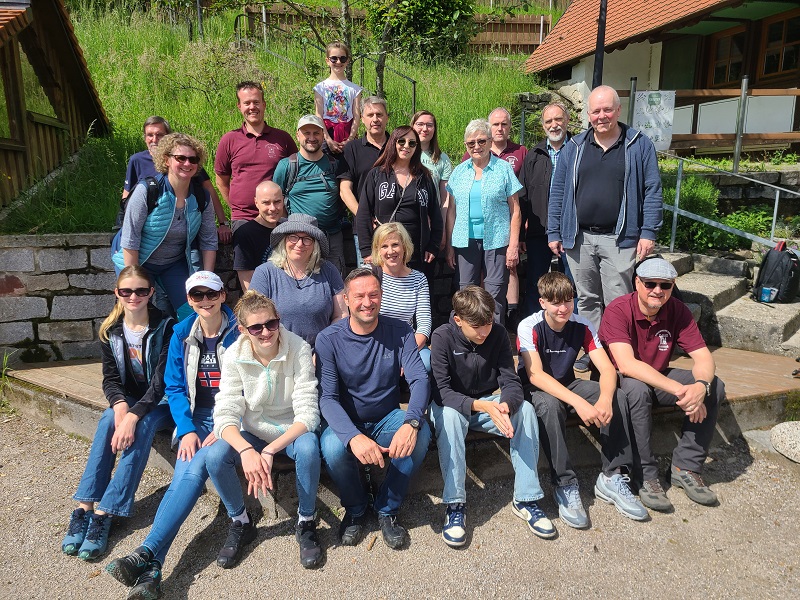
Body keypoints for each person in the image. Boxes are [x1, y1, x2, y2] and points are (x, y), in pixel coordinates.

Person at [105, 271, 238, 599]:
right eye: (197, 296)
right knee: (183, 481)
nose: (205, 301)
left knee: (192, 474)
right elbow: (175, 387)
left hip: (232, 419)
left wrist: (221, 425)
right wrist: (188, 428)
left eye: (211, 294)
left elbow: (248, 388)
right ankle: (152, 571)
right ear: (190, 300)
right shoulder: (181, 332)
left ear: (223, 295)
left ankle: (147, 549)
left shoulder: (241, 332)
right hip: (196, 419)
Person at [517, 272, 647, 529]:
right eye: (555, 302)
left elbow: (608, 369)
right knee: (550, 405)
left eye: (568, 300)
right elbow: (536, 375)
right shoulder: (529, 326)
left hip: (567, 382)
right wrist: (578, 402)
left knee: (617, 394)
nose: (563, 308)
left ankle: (613, 475)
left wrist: (606, 399)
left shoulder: (583, 325)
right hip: (535, 388)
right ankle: (565, 483)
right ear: (542, 302)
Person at [61, 266, 174, 562]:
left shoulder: (166, 326)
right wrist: (121, 407)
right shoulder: (110, 330)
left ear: (151, 292)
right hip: (131, 401)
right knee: (108, 418)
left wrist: (133, 416)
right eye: (126, 291)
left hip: (162, 404)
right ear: (117, 293)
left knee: (143, 424)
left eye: (140, 290)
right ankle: (84, 505)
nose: (133, 296)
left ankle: (106, 511)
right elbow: (110, 380)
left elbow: (161, 383)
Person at [548, 85, 663, 372]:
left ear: (618, 110)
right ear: (588, 114)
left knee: (618, 300)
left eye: (607, 109)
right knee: (586, 300)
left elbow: (652, 189)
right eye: (596, 111)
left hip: (620, 237)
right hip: (579, 238)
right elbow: (558, 191)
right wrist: (554, 231)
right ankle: (594, 350)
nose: (602, 116)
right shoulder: (573, 147)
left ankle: (619, 353)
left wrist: (648, 231)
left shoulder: (638, 144)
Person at [205, 291, 323, 569]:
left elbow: (308, 413)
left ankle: (306, 521)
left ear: (279, 320)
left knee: (308, 447)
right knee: (215, 456)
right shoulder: (233, 355)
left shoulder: (299, 348)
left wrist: (270, 449)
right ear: (243, 330)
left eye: (271, 324)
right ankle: (241, 521)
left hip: (290, 428)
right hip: (254, 430)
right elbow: (225, 411)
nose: (266, 332)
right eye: (256, 327)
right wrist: (246, 449)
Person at [316, 268, 431, 550]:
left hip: (386, 417)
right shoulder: (328, 339)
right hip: (346, 420)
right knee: (332, 447)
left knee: (422, 434)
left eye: (374, 294)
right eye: (359, 296)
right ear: (345, 299)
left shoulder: (401, 330)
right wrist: (353, 437)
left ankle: (387, 508)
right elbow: (328, 398)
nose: (367, 302)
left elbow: (419, 378)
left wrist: (412, 423)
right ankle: (356, 508)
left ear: (382, 295)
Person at [430, 286, 552, 547]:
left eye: (488, 323)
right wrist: (484, 407)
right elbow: (441, 392)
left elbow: (510, 379)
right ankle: (455, 504)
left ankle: (526, 498)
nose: (484, 331)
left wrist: (505, 406)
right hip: (452, 406)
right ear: (459, 320)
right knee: (451, 419)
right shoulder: (441, 337)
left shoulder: (496, 334)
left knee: (526, 411)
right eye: (477, 326)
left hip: (486, 403)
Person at [600, 258, 724, 511]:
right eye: (650, 283)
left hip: (658, 378)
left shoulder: (678, 310)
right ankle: (645, 475)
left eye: (665, 285)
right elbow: (626, 365)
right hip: (621, 381)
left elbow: (703, 357)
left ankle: (686, 466)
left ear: (672, 285)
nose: (657, 290)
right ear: (637, 283)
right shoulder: (618, 309)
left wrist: (700, 386)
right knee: (636, 389)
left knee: (715, 385)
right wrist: (682, 391)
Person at [113, 133, 217, 317]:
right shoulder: (147, 191)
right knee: (133, 313)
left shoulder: (202, 197)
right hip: (137, 260)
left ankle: (182, 345)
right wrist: (133, 280)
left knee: (191, 312)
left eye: (193, 159)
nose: (187, 163)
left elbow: (208, 240)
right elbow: (130, 238)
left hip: (172, 263)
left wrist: (206, 280)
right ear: (166, 160)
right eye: (180, 158)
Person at [445, 119, 522, 324]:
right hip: (465, 241)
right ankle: (468, 339)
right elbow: (451, 210)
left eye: (481, 141)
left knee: (495, 293)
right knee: (466, 293)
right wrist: (450, 247)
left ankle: (495, 340)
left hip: (496, 240)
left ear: (489, 142)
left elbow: (515, 210)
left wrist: (513, 245)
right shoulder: (458, 172)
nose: (476, 146)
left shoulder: (504, 169)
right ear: (466, 146)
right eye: (471, 143)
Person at [122, 116, 231, 244]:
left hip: (185, 229)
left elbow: (209, 190)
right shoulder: (137, 161)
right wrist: (126, 227)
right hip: (150, 231)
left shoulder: (187, 161)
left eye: (159, 135)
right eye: (149, 135)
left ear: (169, 137)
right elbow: (127, 195)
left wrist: (223, 222)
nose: (154, 139)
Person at [249, 213, 348, 347]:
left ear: (315, 244)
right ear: (284, 240)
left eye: (307, 239)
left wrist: (324, 349)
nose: (300, 244)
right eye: (293, 237)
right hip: (278, 353)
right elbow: (252, 316)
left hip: (321, 352)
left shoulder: (329, 270)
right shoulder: (265, 273)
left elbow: (341, 315)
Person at [355, 126, 443, 273]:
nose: (406, 146)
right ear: (393, 143)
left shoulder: (424, 177)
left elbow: (435, 214)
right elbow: (363, 213)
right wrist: (366, 250)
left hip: (418, 253)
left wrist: (433, 246)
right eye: (401, 141)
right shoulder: (377, 175)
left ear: (417, 147)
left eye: (412, 143)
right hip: (386, 251)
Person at [214, 81, 298, 228]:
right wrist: (236, 207)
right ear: (239, 106)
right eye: (247, 103)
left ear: (264, 104)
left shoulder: (282, 138)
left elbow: (297, 174)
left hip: (276, 216)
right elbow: (221, 181)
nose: (252, 107)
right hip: (243, 218)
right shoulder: (229, 140)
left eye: (256, 102)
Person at [273, 115, 348, 276]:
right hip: (300, 239)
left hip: (332, 235)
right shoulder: (287, 166)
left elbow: (343, 195)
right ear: (298, 135)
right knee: (302, 281)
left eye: (316, 133)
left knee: (336, 284)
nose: (312, 138)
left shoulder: (335, 164)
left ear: (323, 135)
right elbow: (276, 202)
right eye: (307, 133)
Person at [519, 102, 572, 319]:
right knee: (536, 283)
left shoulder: (578, 149)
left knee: (570, 284)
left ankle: (571, 330)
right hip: (538, 231)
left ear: (567, 120)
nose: (554, 125)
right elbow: (522, 197)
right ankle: (534, 328)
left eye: (558, 119)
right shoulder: (534, 155)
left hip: (571, 231)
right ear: (543, 126)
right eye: (548, 121)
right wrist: (521, 234)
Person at [370, 222, 432, 372]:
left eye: (395, 245)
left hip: (407, 343)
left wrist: (406, 354)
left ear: (404, 246)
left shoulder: (419, 279)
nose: (390, 251)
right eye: (384, 246)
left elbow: (424, 324)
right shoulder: (369, 275)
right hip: (375, 343)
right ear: (378, 250)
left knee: (426, 363)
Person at [338, 96, 390, 220]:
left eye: (379, 114)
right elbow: (344, 190)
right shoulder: (352, 149)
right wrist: (364, 217)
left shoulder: (398, 146)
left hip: (396, 226)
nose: (375, 119)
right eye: (370, 115)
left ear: (387, 117)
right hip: (364, 228)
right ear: (362, 119)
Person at [232, 180, 285, 291]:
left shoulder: (288, 228)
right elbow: (248, 287)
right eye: (266, 202)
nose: (273, 208)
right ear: (256, 202)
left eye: (277, 202)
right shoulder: (245, 234)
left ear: (283, 200)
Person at [411, 110, 453, 245]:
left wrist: (441, 229)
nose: (425, 129)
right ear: (412, 126)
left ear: (434, 129)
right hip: (408, 219)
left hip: (432, 221)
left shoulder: (443, 159)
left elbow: (445, 199)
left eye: (429, 125)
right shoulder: (404, 153)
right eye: (420, 124)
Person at [313, 41, 363, 154]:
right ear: (327, 61)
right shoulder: (320, 88)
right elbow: (319, 115)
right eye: (334, 58)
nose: (338, 62)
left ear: (347, 61)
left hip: (348, 133)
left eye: (342, 59)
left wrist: (350, 139)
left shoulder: (355, 89)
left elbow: (356, 116)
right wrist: (328, 140)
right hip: (326, 134)